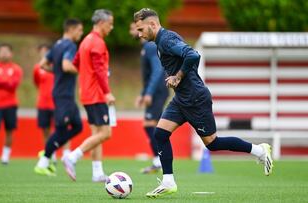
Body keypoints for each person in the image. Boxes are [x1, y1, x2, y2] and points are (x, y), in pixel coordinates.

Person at [133, 8, 274, 198]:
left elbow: (193, 55)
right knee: (160, 134)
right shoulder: (161, 41)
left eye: (141, 29)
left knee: (212, 143)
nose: (139, 34)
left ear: (152, 24)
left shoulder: (166, 40)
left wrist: (179, 76)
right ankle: (168, 182)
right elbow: (189, 58)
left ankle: (259, 150)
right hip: (182, 98)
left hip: (195, 98)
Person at [63, 9, 115, 182]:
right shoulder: (98, 43)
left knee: (96, 133)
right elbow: (100, 71)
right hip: (96, 95)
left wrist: (86, 77)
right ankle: (72, 157)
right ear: (101, 23)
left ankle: (97, 172)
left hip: (85, 93)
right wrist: (107, 93)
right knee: (106, 133)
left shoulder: (86, 40)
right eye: (110, 24)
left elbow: (75, 63)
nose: (112, 27)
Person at [34, 19, 84, 176]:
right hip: (63, 95)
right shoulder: (70, 45)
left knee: (78, 126)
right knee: (62, 129)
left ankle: (50, 150)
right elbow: (66, 65)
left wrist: (57, 73)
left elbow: (43, 64)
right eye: (80, 30)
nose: (81, 33)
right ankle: (43, 161)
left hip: (63, 93)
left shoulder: (57, 44)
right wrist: (84, 72)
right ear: (71, 29)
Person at [129, 22, 169, 174]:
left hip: (158, 91)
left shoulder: (150, 46)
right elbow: (149, 75)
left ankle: (159, 160)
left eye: (134, 28)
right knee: (155, 125)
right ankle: (158, 160)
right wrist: (143, 93)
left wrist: (149, 93)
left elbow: (157, 70)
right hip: (156, 90)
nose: (131, 31)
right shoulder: (146, 48)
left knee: (149, 124)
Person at [33, 44, 70, 163]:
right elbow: (37, 83)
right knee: (45, 130)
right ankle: (50, 154)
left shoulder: (58, 67)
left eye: (46, 52)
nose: (44, 54)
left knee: (63, 128)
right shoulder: (37, 68)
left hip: (58, 104)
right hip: (43, 104)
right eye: (42, 51)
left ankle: (66, 154)